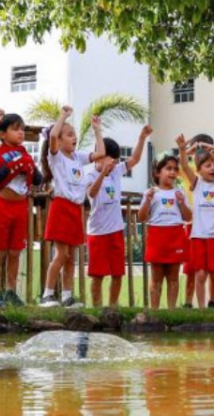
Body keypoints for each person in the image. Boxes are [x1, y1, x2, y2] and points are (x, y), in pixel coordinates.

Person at [38, 107, 105, 308]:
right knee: (61, 254)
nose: (74, 137)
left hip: (76, 209)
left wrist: (97, 130)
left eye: (74, 134)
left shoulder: (77, 157)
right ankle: (47, 295)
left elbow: (101, 153)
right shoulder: (56, 156)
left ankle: (67, 297)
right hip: (61, 207)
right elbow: (52, 136)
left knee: (71, 257)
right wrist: (63, 116)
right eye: (69, 134)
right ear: (58, 141)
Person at [85, 127, 151, 308]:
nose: (113, 164)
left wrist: (142, 137)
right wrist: (102, 174)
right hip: (97, 232)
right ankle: (97, 308)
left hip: (116, 230)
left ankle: (113, 307)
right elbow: (91, 193)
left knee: (117, 272)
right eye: (109, 160)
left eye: (115, 161)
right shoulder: (90, 175)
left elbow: (135, 159)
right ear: (98, 157)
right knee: (97, 275)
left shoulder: (116, 171)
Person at [0, 112, 42, 307]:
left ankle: (11, 291)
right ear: (2, 134)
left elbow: (38, 179)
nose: (21, 133)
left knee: (15, 251)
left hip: (20, 207)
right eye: (15, 129)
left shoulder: (26, 154)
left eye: (22, 129)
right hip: (1, 205)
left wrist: (29, 167)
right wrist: (14, 166)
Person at [176, 132, 214, 308]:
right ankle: (202, 309)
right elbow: (184, 165)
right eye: (208, 165)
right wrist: (183, 149)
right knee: (200, 274)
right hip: (198, 236)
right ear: (199, 169)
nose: (213, 168)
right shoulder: (196, 183)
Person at [138, 155, 192, 309]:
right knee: (156, 277)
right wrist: (147, 201)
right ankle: (155, 312)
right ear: (157, 172)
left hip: (176, 234)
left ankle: (171, 311)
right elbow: (142, 217)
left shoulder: (179, 192)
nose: (172, 172)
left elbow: (188, 217)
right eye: (168, 168)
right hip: (157, 236)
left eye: (175, 169)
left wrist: (182, 203)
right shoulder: (151, 192)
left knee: (173, 277)